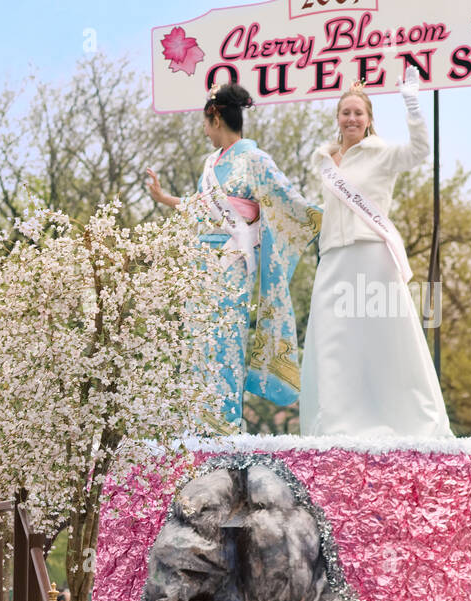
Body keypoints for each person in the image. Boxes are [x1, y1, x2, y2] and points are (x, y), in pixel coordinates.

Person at [147, 82, 321, 429]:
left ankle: (224, 424)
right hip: (202, 265)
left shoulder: (255, 159)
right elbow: (202, 210)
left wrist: (323, 218)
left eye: (205, 126)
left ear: (215, 118)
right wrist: (164, 198)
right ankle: (197, 424)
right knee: (200, 342)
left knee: (226, 340)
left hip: (233, 262)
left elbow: (288, 200)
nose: (206, 134)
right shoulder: (211, 164)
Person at [300, 71, 452, 438]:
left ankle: (405, 419)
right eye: (345, 112)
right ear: (337, 118)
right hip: (334, 257)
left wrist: (412, 104)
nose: (351, 119)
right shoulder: (324, 159)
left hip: (371, 254)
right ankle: (337, 422)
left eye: (358, 113)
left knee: (383, 335)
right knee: (335, 340)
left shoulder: (381, 153)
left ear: (368, 120)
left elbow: (418, 152)